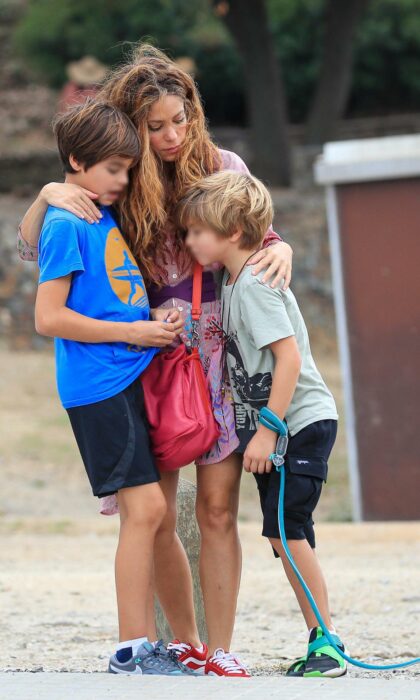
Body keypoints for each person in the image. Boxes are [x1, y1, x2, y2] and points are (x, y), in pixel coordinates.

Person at [17, 44, 294, 675]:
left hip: (219, 351)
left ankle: (220, 649)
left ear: (195, 113)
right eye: (156, 125)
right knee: (157, 511)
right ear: (132, 131)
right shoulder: (117, 178)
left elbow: (259, 233)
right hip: (147, 355)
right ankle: (185, 646)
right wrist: (48, 192)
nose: (172, 136)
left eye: (182, 119)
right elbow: (35, 249)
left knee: (218, 506)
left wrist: (283, 249)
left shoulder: (223, 165)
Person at [34, 99, 192, 676]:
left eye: (129, 169)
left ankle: (153, 644)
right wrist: (133, 333)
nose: (123, 181)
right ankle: (132, 648)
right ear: (76, 161)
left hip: (127, 376)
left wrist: (153, 325)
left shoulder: (97, 213)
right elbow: (48, 318)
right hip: (97, 387)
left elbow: (109, 292)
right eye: (113, 170)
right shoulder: (67, 221)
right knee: (146, 510)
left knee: (149, 513)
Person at [176, 170, 347, 678]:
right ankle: (322, 636)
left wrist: (268, 429)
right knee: (282, 535)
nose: (189, 241)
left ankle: (328, 644)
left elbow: (288, 359)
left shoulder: (253, 284)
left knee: (288, 533)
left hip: (298, 424)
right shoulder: (233, 280)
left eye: (196, 231)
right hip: (281, 428)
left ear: (231, 231)